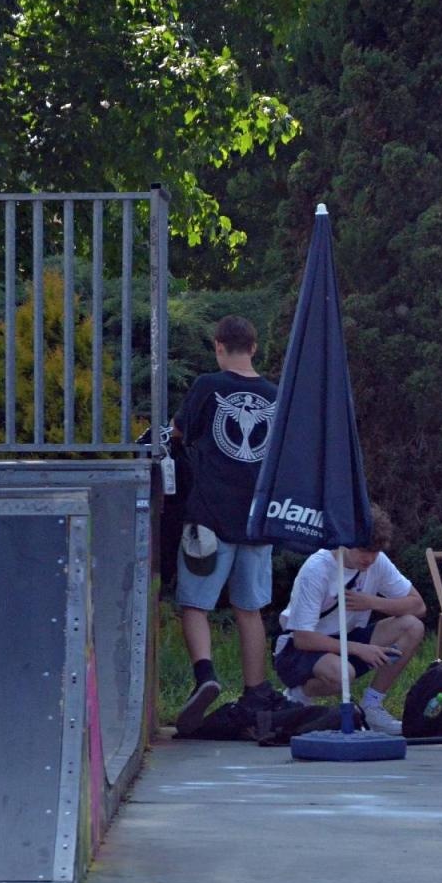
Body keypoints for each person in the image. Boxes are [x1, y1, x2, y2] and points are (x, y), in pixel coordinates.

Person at [168, 315, 283, 735]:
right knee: (250, 611)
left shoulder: (207, 387)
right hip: (258, 522)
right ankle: (256, 692)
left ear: (218, 346)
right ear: (254, 348)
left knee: (195, 603)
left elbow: (180, 432)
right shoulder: (276, 396)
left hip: (208, 520)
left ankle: (206, 676)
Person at [271, 504, 426, 734]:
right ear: (344, 540)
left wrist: (372, 603)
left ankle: (372, 705)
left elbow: (418, 605)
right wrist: (359, 649)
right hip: (300, 648)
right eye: (364, 549)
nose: (370, 558)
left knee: (412, 626)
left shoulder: (378, 561)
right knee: (343, 674)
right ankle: (298, 695)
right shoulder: (317, 568)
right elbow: (303, 638)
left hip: (348, 637)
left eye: (375, 551)